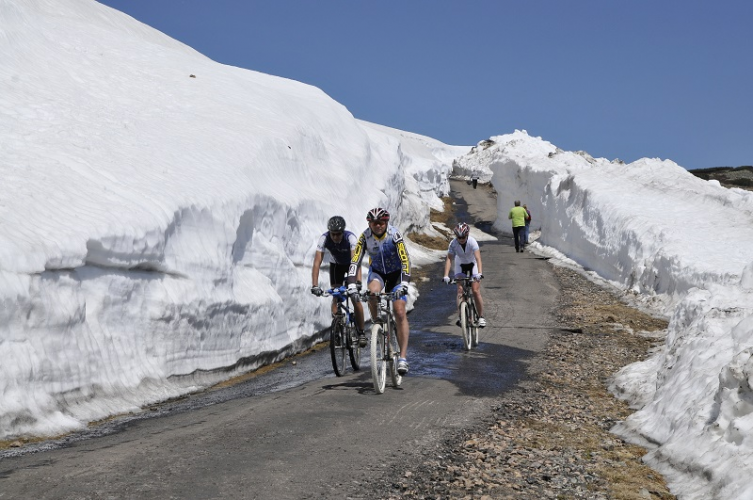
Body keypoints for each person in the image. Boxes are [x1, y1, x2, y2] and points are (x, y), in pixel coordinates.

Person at [346, 207, 412, 375]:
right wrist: (351, 283)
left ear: (386, 222)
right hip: (378, 273)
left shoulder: (394, 235)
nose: (378, 225)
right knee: (372, 293)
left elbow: (405, 260)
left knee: (399, 311)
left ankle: (403, 358)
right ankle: (378, 326)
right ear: (369, 223)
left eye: (381, 222)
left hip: (396, 275)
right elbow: (355, 261)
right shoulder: (364, 237)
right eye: (374, 223)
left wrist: (404, 283)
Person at [311, 215, 366, 346]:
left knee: (354, 297)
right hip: (336, 266)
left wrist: (357, 282)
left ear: (343, 232)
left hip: (351, 265)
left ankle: (361, 332)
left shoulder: (350, 238)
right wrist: (315, 285)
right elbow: (317, 262)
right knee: (335, 295)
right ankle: (337, 328)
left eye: (338, 234)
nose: (335, 237)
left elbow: (355, 261)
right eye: (333, 234)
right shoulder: (324, 238)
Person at [442, 222, 486, 328]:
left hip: (472, 265)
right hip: (460, 265)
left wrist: (479, 273)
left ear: (467, 235)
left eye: (463, 237)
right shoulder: (453, 244)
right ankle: (461, 317)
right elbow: (449, 259)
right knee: (460, 290)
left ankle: (481, 317)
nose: (461, 239)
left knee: (475, 290)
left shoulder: (472, 242)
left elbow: (478, 258)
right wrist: (446, 275)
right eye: (459, 237)